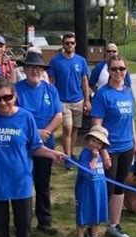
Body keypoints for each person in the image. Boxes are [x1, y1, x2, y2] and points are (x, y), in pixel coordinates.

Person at [0, 79, 62, 237]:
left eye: (7, 97)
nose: (2, 102)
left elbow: (35, 147)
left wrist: (52, 154)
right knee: (0, 229)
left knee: (23, 228)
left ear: (15, 96)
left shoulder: (26, 118)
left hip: (21, 181)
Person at [15, 50, 62, 235]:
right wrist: (35, 133)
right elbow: (14, 116)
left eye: (38, 68)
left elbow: (58, 115)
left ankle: (44, 220)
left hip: (46, 144)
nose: (35, 71)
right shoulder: (17, 90)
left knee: (43, 183)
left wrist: (47, 132)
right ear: (25, 69)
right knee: (23, 182)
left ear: (43, 70)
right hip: (24, 145)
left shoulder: (50, 89)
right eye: (31, 67)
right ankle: (22, 221)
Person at [91, 55, 136, 237]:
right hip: (111, 150)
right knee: (105, 189)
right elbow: (97, 127)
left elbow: (131, 119)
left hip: (126, 147)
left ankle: (114, 225)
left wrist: (134, 142)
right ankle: (92, 227)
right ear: (108, 71)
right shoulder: (103, 95)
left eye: (122, 69)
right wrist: (103, 152)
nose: (118, 72)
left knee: (120, 188)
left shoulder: (127, 91)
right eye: (114, 69)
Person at [48, 32, 90, 169]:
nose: (70, 45)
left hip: (78, 99)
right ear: (63, 44)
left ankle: (71, 154)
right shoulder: (55, 61)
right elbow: (51, 81)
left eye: (72, 43)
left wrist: (87, 100)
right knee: (67, 128)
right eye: (67, 43)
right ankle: (67, 158)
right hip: (62, 100)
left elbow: (84, 80)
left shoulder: (81, 60)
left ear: (75, 44)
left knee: (75, 129)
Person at [75, 125, 111, 237]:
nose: (95, 145)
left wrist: (104, 163)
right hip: (86, 191)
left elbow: (100, 172)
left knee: (97, 214)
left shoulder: (99, 154)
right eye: (93, 141)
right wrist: (95, 158)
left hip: (98, 190)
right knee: (83, 214)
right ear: (88, 140)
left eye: (99, 143)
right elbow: (88, 172)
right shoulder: (86, 154)